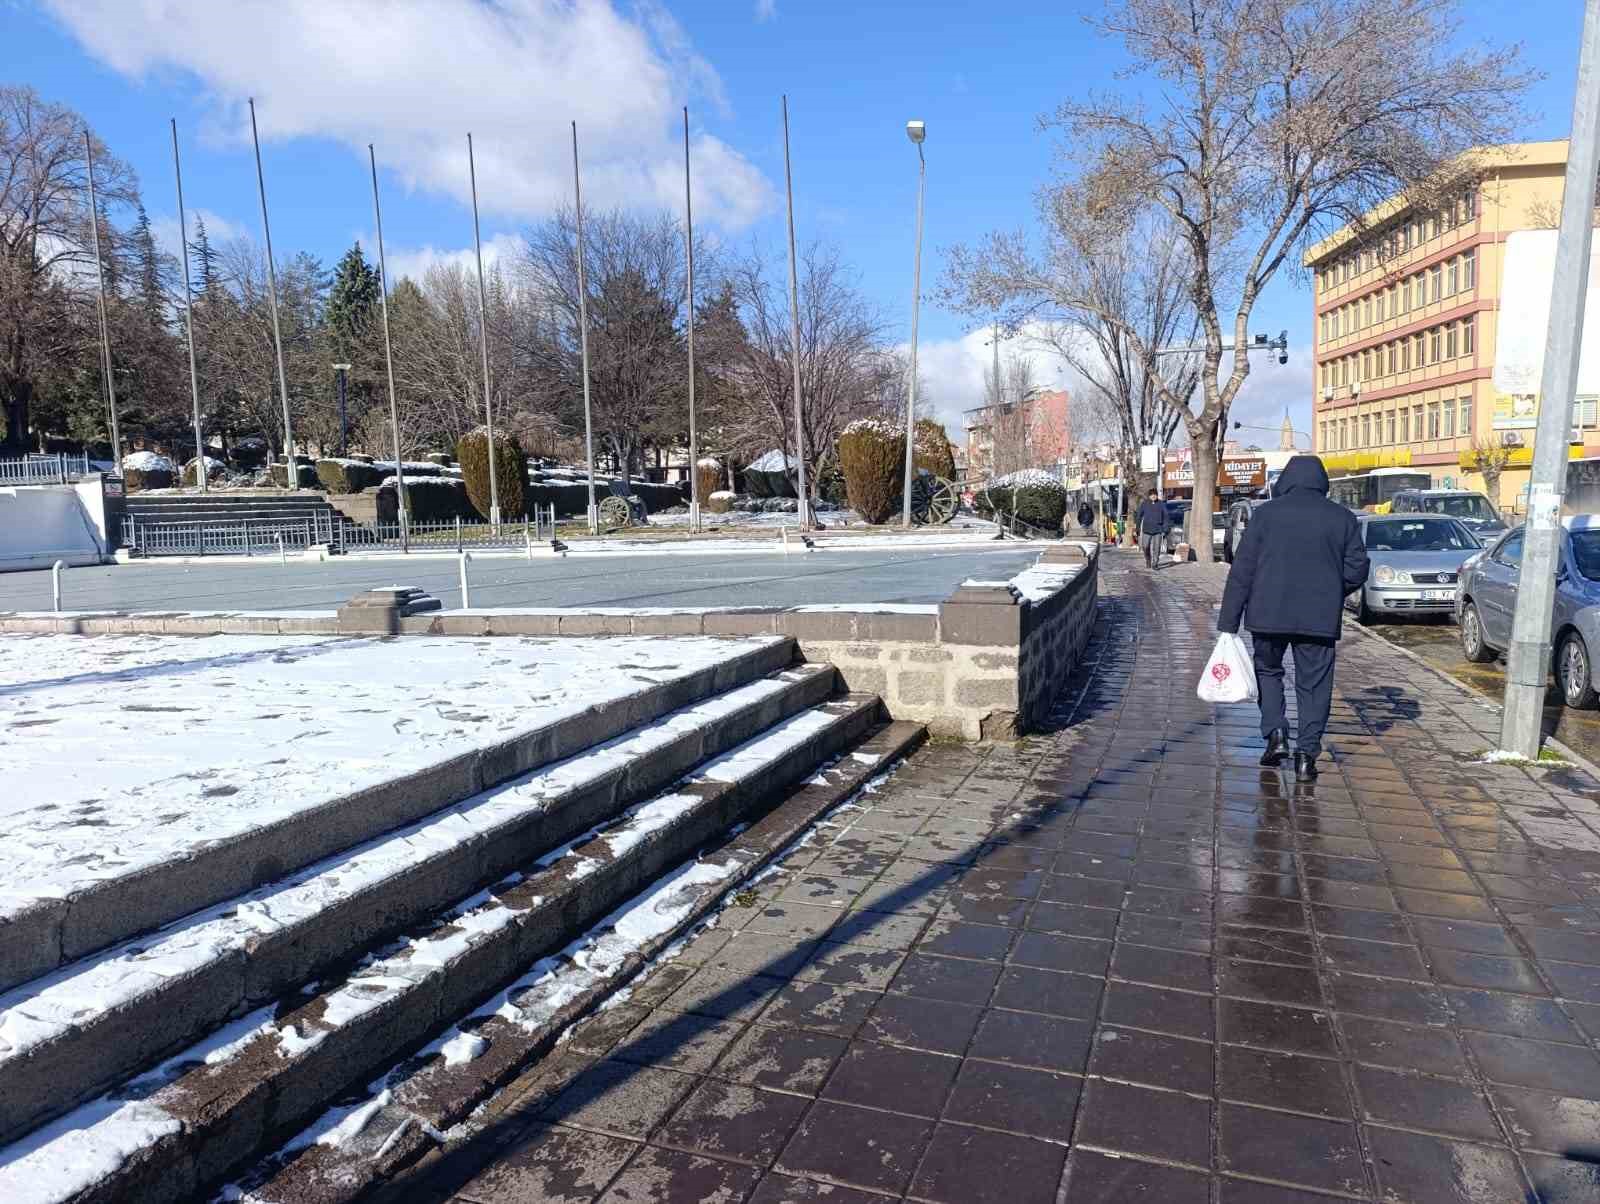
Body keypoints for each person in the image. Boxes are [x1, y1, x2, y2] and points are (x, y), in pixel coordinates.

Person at [1218, 455, 1369, 781]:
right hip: (1319, 618)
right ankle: (1306, 757)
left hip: (1267, 613)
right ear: (1323, 482)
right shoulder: (1342, 518)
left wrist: (1228, 622)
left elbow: (1242, 570)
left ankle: (1275, 734)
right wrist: (1331, 589)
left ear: (1285, 480)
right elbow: (1358, 569)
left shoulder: (1265, 516)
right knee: (1314, 685)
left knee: (1268, 671)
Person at [1134, 489, 1170, 568]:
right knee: (1145, 546)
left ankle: (1155, 563)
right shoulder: (1145, 504)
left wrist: (1166, 528)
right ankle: (1148, 559)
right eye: (1151, 495)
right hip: (1147, 529)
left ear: (1157, 495)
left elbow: (1166, 516)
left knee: (1156, 548)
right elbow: (1139, 516)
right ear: (1149, 496)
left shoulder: (1161, 504)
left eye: (1155, 494)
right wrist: (1137, 528)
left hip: (1158, 529)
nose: (1153, 496)